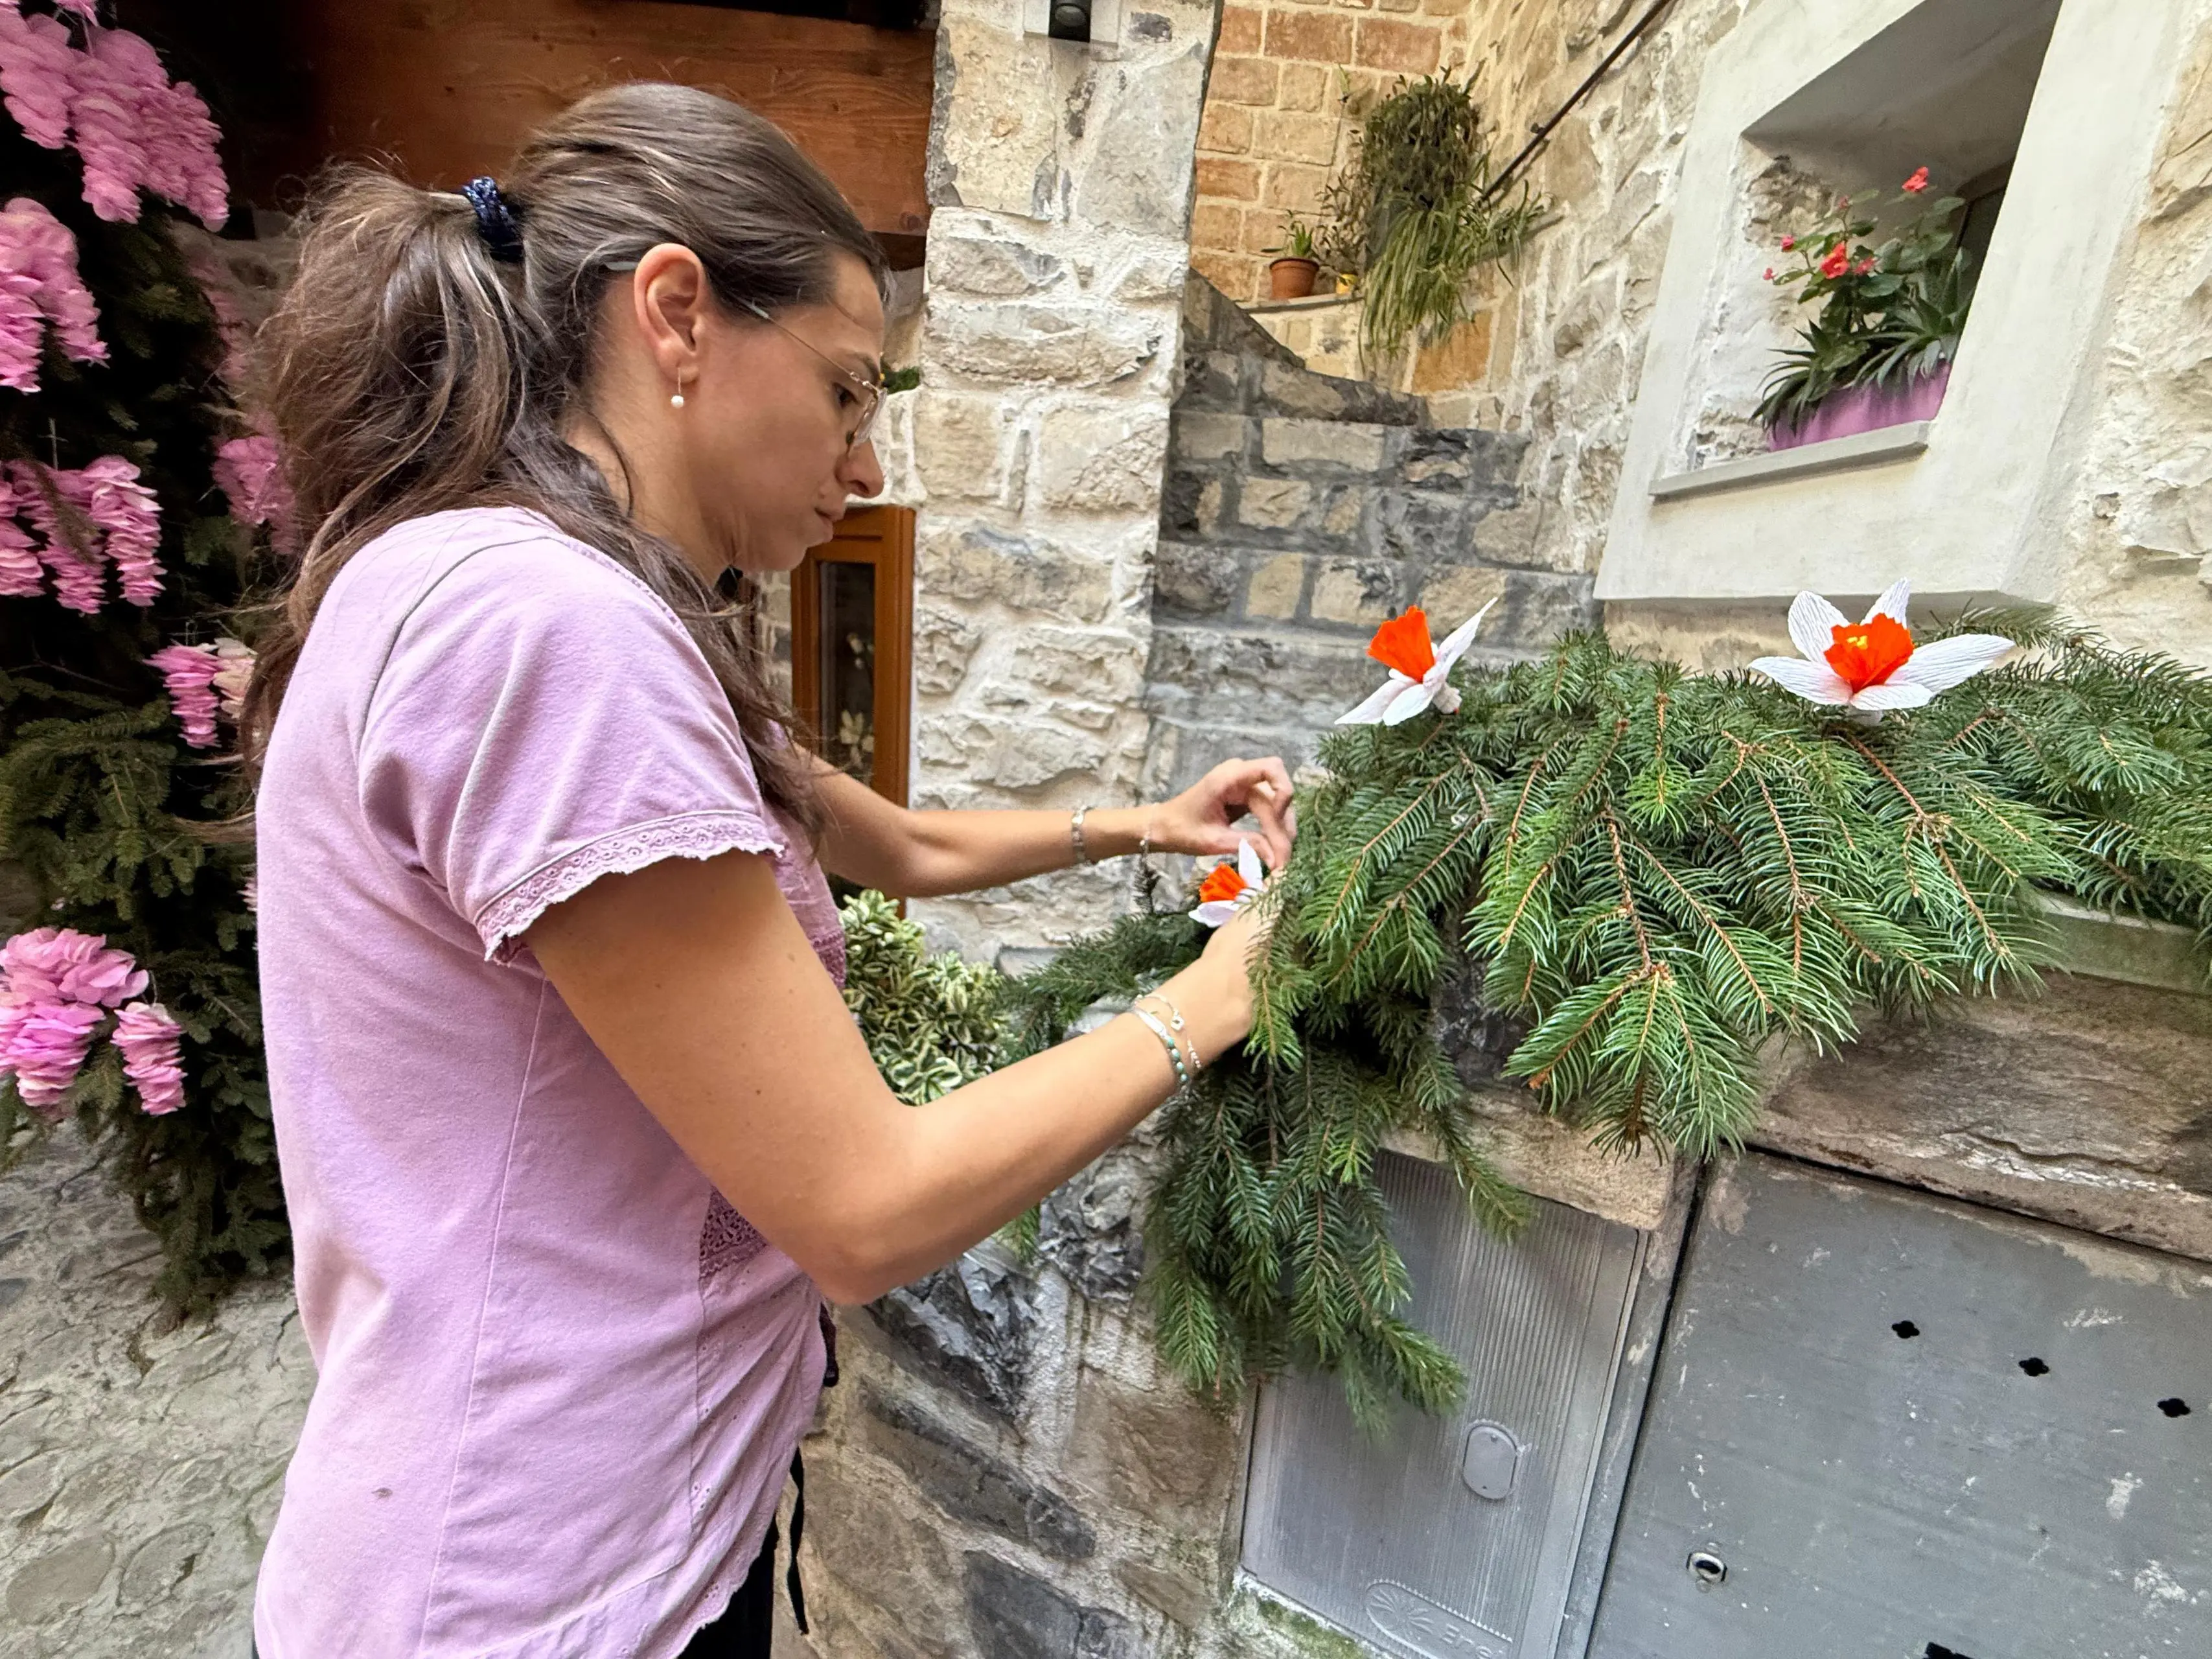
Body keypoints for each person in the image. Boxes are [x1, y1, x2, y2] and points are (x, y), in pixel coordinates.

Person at [241, 82, 1291, 1659]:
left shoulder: (502, 578)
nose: (864, 462)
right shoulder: (557, 635)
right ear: (676, 313)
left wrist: (1148, 823)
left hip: (564, 1540)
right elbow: (865, 1208)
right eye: (851, 391)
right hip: (541, 1594)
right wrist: (1214, 998)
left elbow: (903, 842)